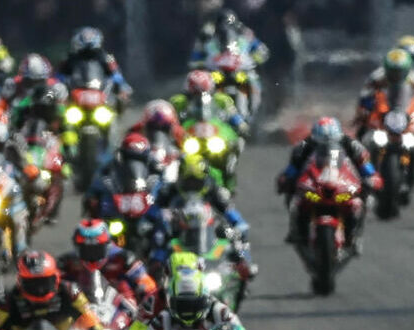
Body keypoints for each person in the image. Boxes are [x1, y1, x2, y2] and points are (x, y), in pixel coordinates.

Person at [276, 117, 379, 249]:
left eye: (331, 140)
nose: (326, 145)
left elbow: (365, 166)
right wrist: (286, 179)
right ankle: (295, 229)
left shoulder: (352, 145)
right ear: (314, 138)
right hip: (314, 185)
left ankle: (356, 233)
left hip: (344, 183)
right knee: (294, 196)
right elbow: (293, 168)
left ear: (339, 136)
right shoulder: (303, 146)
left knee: (364, 198)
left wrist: (371, 178)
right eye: (322, 141)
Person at [157, 155, 255, 278]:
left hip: (210, 229)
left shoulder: (213, 189)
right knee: (158, 238)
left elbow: (229, 211)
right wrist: (160, 219)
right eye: (188, 182)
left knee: (233, 234)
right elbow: (154, 210)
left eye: (196, 182)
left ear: (204, 180)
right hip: (178, 231)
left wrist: (238, 225)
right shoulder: (169, 190)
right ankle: (155, 271)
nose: (192, 186)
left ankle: (244, 263)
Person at [59, 217, 157, 317]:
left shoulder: (124, 258)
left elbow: (146, 282)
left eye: (96, 249)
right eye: (86, 250)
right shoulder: (67, 262)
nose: (91, 254)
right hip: (83, 312)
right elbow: (55, 283)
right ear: (77, 248)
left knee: (143, 327)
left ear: (107, 245)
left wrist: (147, 293)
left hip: (121, 312)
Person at [58, 27, 131, 105]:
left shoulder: (108, 57)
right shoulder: (69, 58)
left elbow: (117, 75)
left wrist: (122, 88)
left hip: (101, 93)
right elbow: (59, 76)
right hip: (75, 94)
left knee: (119, 101)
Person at [4, 53, 68, 133]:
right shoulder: (14, 85)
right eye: (30, 82)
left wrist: (50, 101)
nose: (35, 85)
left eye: (39, 81)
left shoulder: (55, 87)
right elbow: (5, 108)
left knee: (68, 127)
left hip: (50, 126)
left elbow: (62, 108)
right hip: (23, 128)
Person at [171, 70, 246, 134]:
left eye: (203, 92)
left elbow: (232, 113)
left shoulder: (221, 100)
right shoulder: (178, 101)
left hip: (216, 131)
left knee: (235, 143)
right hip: (188, 133)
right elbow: (169, 119)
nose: (199, 97)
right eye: (195, 94)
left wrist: (240, 123)